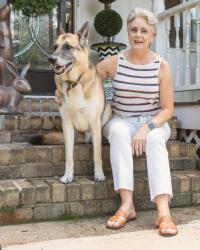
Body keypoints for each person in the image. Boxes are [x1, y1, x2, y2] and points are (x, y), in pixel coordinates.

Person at [55, 7, 178, 237]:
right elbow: (83, 74)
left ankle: (163, 211)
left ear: (153, 35)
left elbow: (168, 109)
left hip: (153, 122)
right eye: (133, 30)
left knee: (153, 140)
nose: (138, 35)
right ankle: (126, 205)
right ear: (128, 33)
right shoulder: (114, 62)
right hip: (120, 119)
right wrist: (60, 89)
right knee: (119, 132)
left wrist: (146, 127)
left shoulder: (161, 66)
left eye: (144, 30)